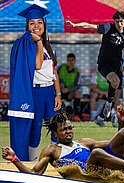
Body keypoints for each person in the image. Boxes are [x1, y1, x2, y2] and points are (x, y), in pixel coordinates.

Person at [2, 107, 124, 177]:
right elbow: (34, 173)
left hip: (103, 168)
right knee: (96, 153)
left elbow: (114, 146)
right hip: (87, 174)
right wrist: (15, 159)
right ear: (56, 134)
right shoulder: (52, 150)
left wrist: (121, 123)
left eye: (70, 128)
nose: (69, 131)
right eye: (64, 130)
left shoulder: (83, 142)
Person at [8, 4, 62, 162]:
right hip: (36, 93)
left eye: (39, 22)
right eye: (32, 23)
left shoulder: (47, 46)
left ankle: (56, 160)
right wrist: (38, 42)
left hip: (49, 92)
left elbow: (54, 72)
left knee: (56, 128)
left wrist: (57, 94)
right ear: (27, 26)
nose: (36, 26)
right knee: (35, 131)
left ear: (44, 24)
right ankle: (31, 163)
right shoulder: (28, 44)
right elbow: (37, 65)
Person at [67, 11, 124, 125]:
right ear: (114, 21)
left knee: (116, 96)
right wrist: (75, 25)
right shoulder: (108, 28)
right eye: (117, 21)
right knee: (115, 81)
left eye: (121, 21)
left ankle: (101, 118)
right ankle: (108, 107)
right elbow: (90, 26)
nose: (119, 24)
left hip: (117, 65)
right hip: (104, 64)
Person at [57, 53, 82, 122]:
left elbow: (78, 85)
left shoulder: (77, 71)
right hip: (59, 90)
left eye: (72, 60)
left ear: (75, 61)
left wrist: (68, 89)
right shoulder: (61, 67)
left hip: (69, 92)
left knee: (77, 93)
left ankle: (76, 115)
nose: (70, 62)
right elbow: (55, 76)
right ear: (67, 60)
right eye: (69, 60)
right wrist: (60, 83)